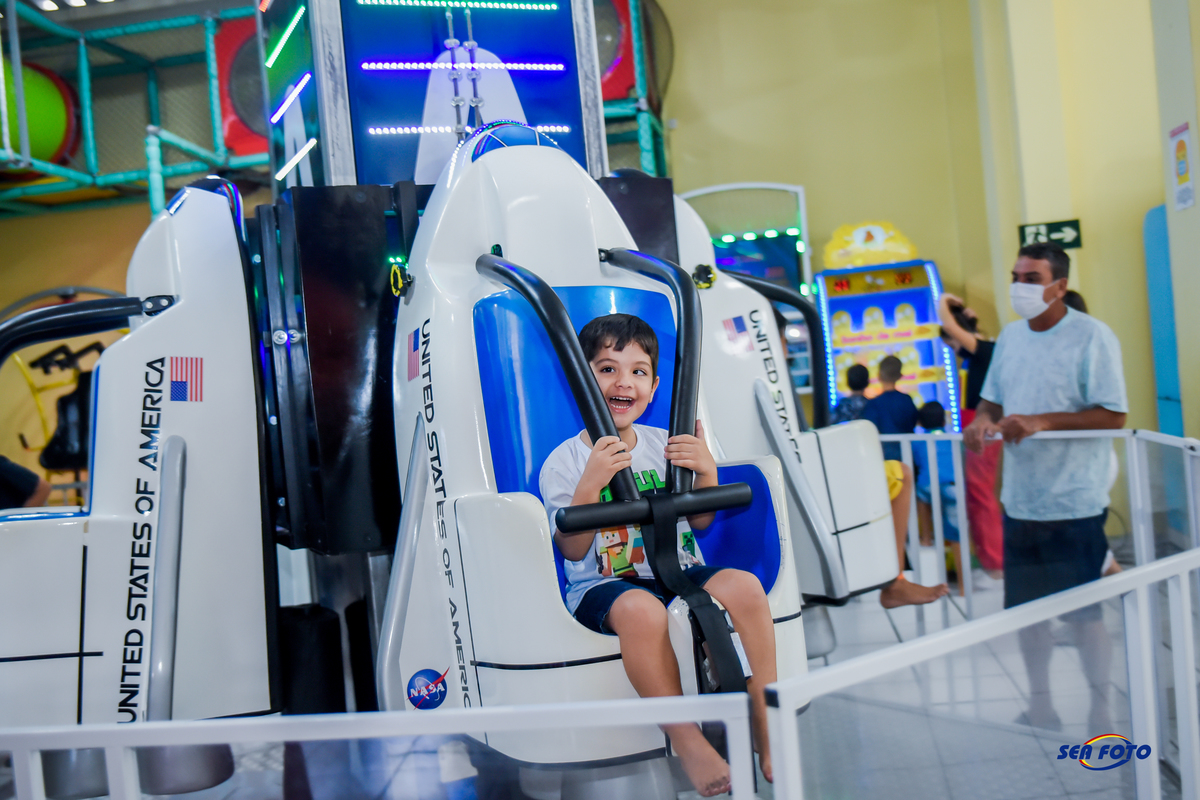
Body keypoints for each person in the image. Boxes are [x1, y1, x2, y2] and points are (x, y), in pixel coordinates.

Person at [539, 314, 777, 795]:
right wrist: (590, 484)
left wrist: (706, 472)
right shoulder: (565, 461)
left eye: (638, 371)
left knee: (745, 586)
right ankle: (687, 739)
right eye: (607, 369)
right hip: (604, 584)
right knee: (641, 612)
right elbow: (571, 548)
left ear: (654, 386)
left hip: (678, 566)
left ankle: (764, 710)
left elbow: (701, 522)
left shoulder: (662, 445)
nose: (624, 382)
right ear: (582, 379)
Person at [964, 243, 1127, 731]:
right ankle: (1041, 707)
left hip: (1074, 502)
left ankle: (1101, 708)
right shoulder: (1012, 338)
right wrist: (982, 421)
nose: (1020, 287)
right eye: (1016, 277)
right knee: (1028, 615)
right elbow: (992, 401)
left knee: (1084, 616)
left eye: (1031, 279)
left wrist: (1042, 421)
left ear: (1059, 286)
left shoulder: (1092, 336)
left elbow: (1113, 415)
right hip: (1022, 501)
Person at [938, 292, 1004, 580]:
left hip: (982, 425)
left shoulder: (985, 350)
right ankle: (991, 559)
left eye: (953, 343)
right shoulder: (979, 353)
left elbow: (950, 327)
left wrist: (944, 301)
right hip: (974, 423)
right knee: (978, 494)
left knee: (981, 493)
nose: (954, 349)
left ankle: (995, 561)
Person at [911, 401, 966, 593]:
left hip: (927, 485)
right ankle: (963, 586)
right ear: (943, 420)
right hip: (951, 486)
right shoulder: (953, 438)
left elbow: (917, 463)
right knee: (957, 536)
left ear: (920, 422)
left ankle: (926, 537)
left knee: (921, 496)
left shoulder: (917, 440)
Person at [862, 355, 919, 462]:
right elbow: (912, 423)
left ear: (879, 375)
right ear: (900, 376)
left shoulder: (873, 404)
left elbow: (870, 430)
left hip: (883, 457)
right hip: (907, 454)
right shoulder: (906, 400)